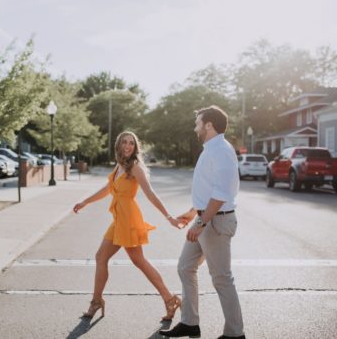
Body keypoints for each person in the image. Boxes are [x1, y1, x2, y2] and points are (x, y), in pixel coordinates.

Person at [72, 131, 182, 321]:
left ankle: (169, 298)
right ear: (118, 145)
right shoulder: (120, 166)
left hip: (129, 219)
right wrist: (85, 202)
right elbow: (107, 189)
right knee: (101, 257)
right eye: (124, 142)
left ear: (135, 147)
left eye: (131, 143)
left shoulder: (135, 167)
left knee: (139, 261)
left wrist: (169, 216)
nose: (128, 146)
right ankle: (96, 301)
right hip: (118, 219)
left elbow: (150, 193)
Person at [160, 106, 245, 339]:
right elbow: (207, 190)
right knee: (185, 267)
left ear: (208, 125)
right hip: (205, 218)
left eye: (198, 122)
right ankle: (190, 323)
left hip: (216, 222)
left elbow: (221, 192)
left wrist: (201, 223)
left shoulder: (221, 150)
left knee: (221, 278)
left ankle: (235, 334)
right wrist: (192, 214)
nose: (195, 127)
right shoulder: (210, 149)